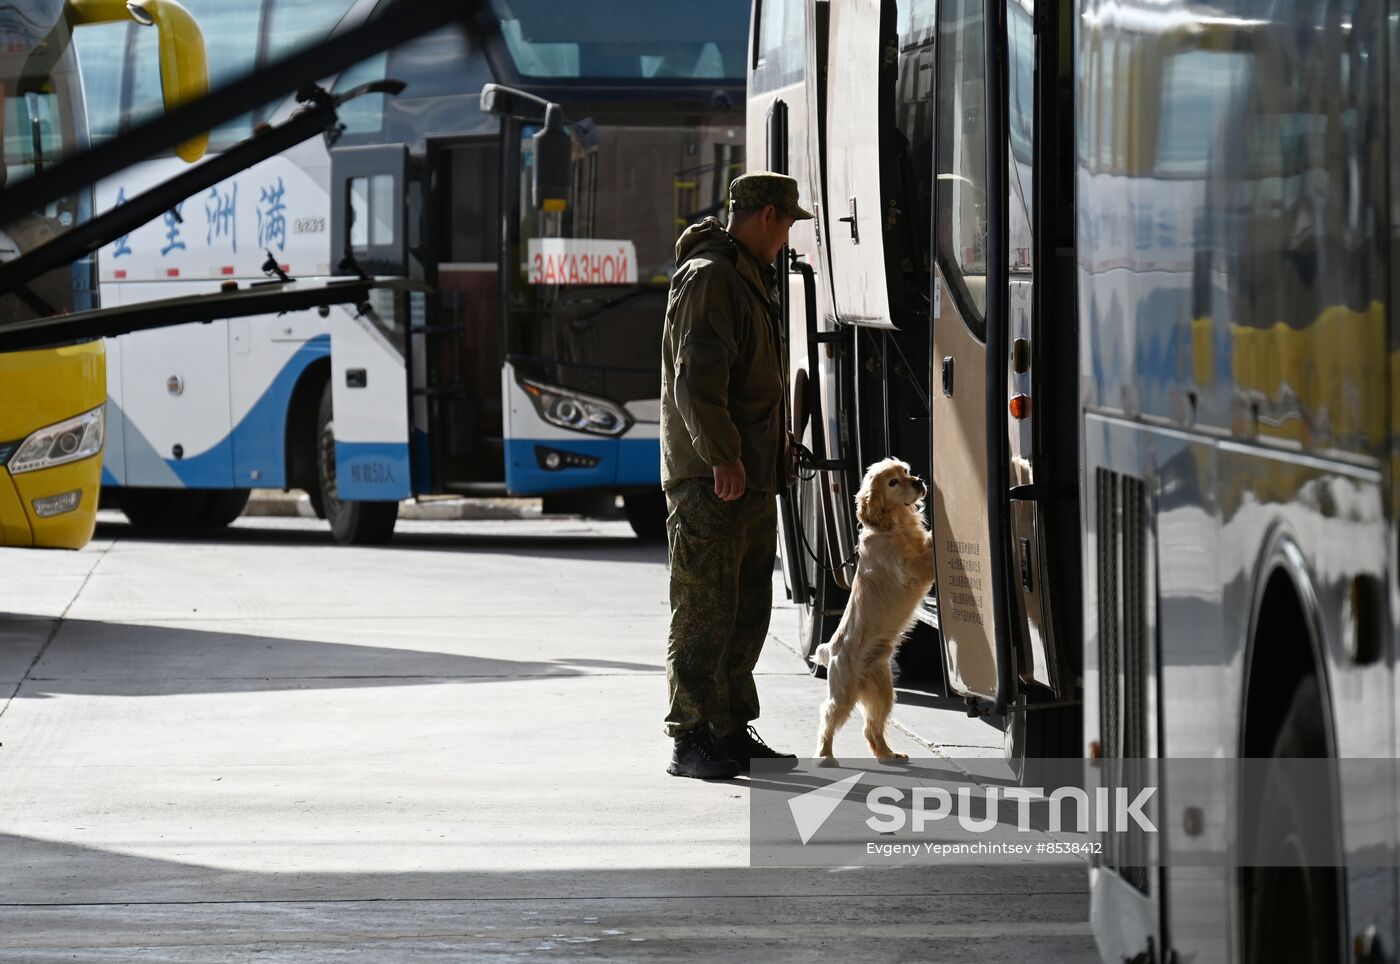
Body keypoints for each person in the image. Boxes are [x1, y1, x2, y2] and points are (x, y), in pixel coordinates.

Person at [659, 171, 814, 779]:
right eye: (788, 224)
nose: (787, 239)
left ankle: (728, 728)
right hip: (711, 477)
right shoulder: (711, 277)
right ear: (768, 215)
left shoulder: (745, 274)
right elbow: (696, 379)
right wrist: (722, 454)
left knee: (745, 609)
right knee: (703, 610)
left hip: (747, 475)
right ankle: (691, 736)